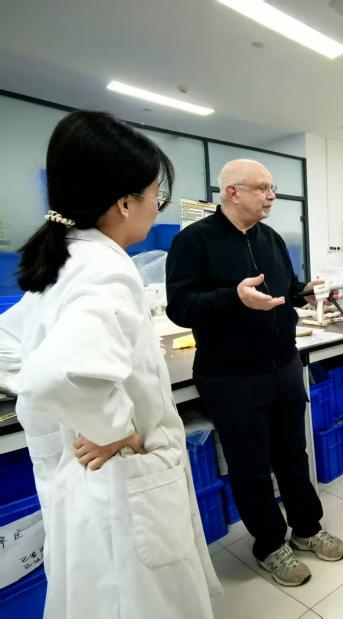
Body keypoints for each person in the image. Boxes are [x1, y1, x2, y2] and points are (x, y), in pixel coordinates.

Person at [0, 110, 220, 617]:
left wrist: (71, 419)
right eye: (155, 194)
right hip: (120, 484)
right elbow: (59, 374)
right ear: (124, 202)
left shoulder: (66, 259)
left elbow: (11, 346)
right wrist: (116, 429)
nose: (157, 207)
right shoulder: (104, 271)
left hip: (82, 485)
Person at [165, 159, 343, 588]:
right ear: (232, 192)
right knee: (250, 465)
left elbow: (286, 290)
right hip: (232, 375)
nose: (271, 196)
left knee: (293, 454)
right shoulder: (194, 241)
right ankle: (269, 546)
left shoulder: (271, 238)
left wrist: (307, 292)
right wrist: (234, 297)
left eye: (272, 188)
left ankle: (306, 529)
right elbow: (180, 307)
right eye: (262, 188)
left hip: (283, 365)